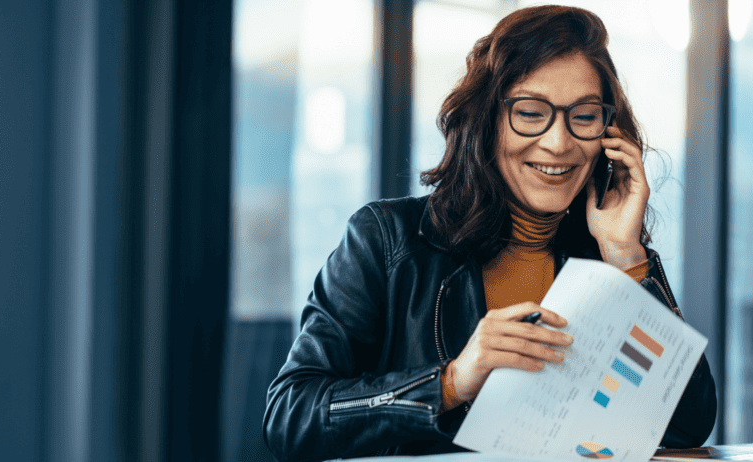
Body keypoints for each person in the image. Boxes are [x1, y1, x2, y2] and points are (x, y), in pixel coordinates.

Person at [263, 5, 716, 461]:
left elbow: (687, 425)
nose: (559, 143)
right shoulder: (388, 239)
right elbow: (291, 417)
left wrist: (625, 255)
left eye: (583, 116)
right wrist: (451, 382)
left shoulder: (605, 251)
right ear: (486, 121)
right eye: (531, 112)